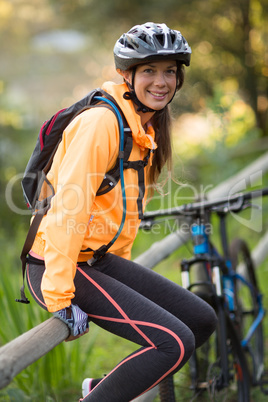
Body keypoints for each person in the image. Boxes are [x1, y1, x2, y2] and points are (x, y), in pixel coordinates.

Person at [26, 22, 217, 401]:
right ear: (125, 73)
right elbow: (69, 212)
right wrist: (60, 298)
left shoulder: (142, 127)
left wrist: (123, 271)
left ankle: (101, 390)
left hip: (96, 260)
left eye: (169, 71)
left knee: (201, 319)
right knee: (174, 343)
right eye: (149, 70)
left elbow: (126, 209)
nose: (161, 81)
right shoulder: (102, 123)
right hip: (58, 263)